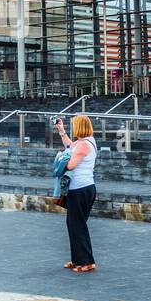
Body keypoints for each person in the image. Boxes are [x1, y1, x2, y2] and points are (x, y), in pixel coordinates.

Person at [53, 113, 98, 273]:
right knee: (73, 225)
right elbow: (70, 146)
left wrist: (60, 158)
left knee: (77, 225)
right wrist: (61, 131)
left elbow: (70, 165)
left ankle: (86, 262)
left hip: (80, 190)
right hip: (81, 189)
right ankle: (77, 259)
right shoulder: (83, 142)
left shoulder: (84, 145)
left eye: (73, 125)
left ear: (79, 127)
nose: (72, 128)